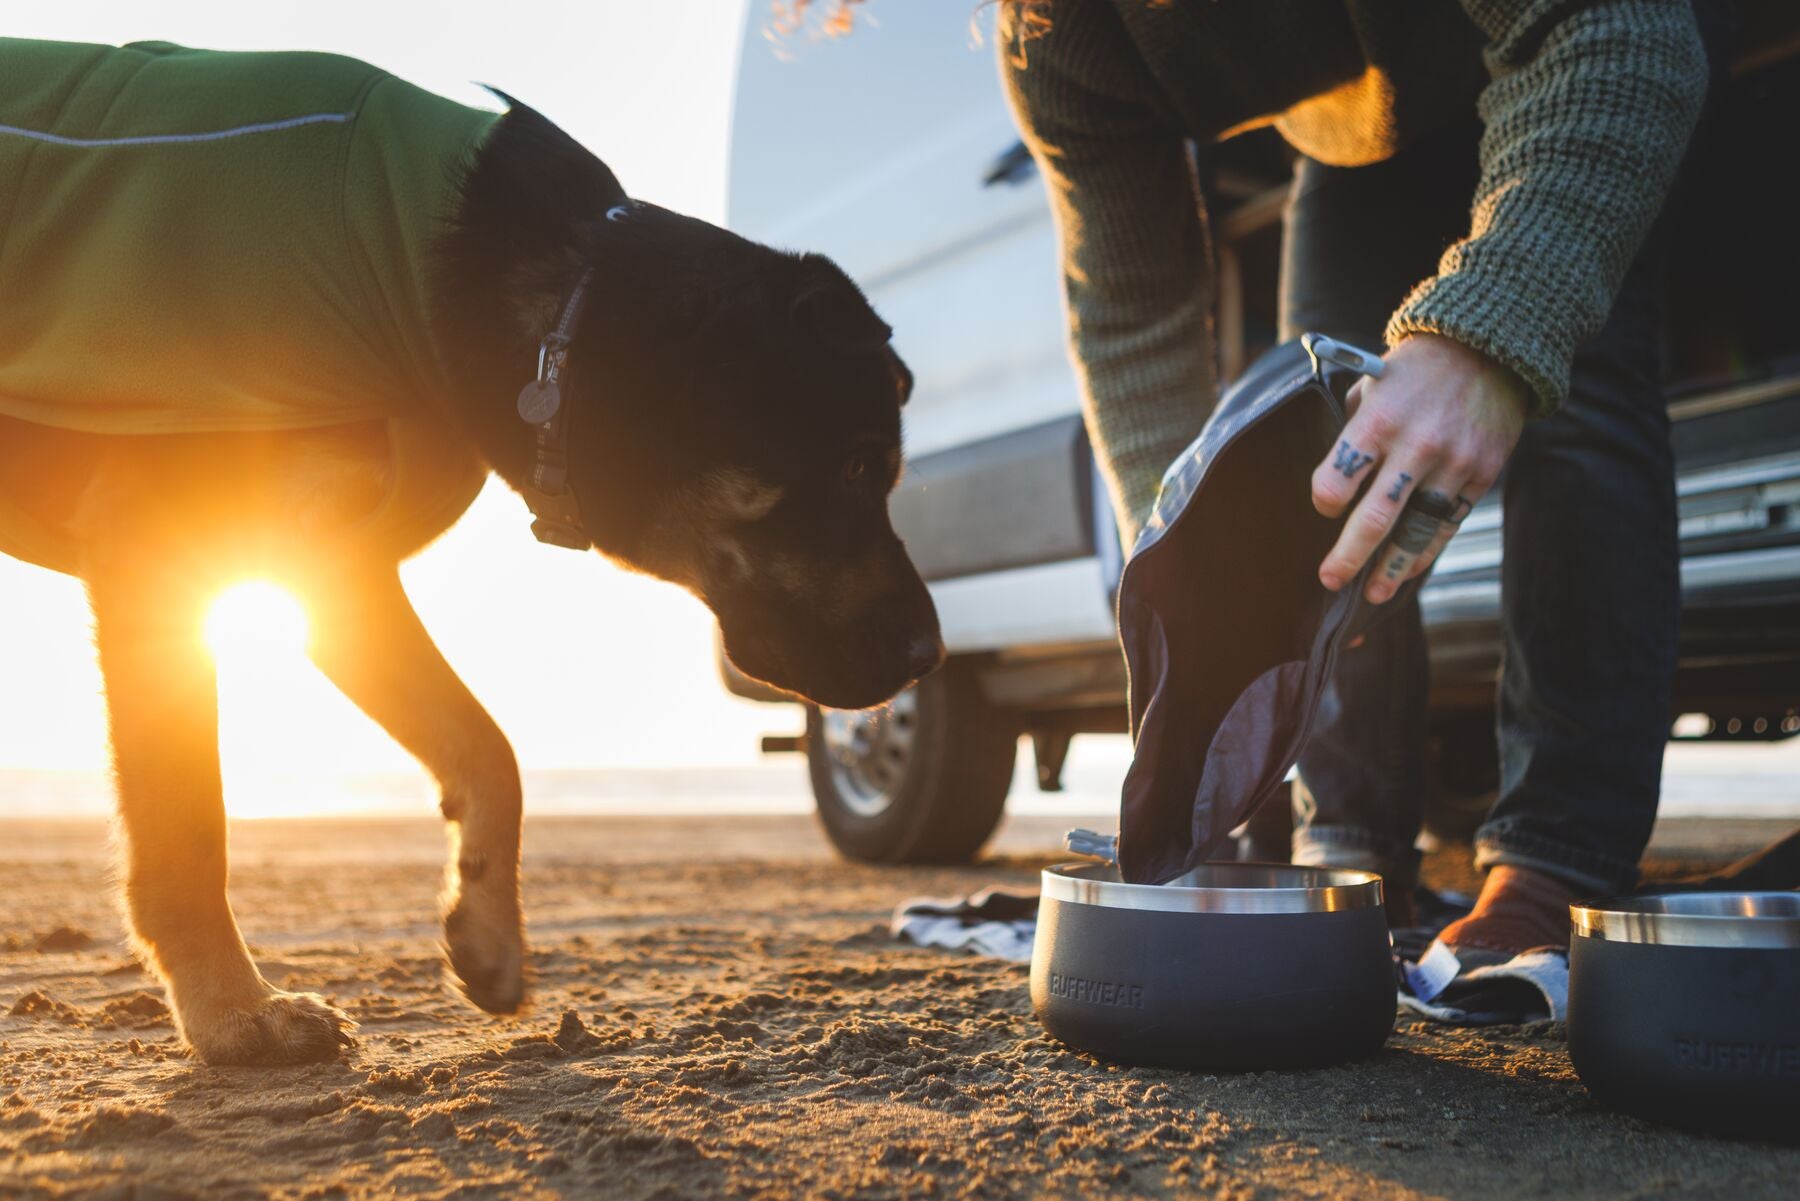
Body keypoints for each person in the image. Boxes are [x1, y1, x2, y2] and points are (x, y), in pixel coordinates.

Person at [997, 0, 1712, 978]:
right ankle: (1351, 846)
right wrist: (1186, 563)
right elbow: (1130, 321)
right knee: (1327, 459)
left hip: (1586, 39)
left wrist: (1488, 335)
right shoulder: (1053, 35)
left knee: (1575, 378)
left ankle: (1558, 861)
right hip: (1365, 123)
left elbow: (1618, 32)